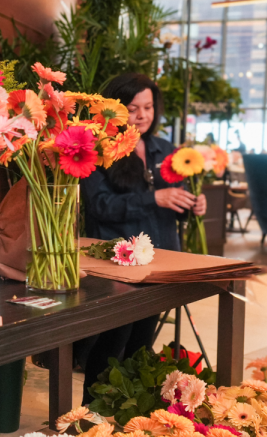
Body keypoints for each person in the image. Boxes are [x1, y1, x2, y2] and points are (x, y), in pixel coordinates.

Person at [78, 73, 207, 404]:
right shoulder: (98, 148)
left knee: (140, 343)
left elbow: (172, 202)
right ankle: (92, 411)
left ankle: (131, 413)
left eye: (148, 107)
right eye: (133, 107)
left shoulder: (166, 150)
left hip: (161, 262)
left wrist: (191, 207)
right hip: (119, 262)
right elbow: (99, 206)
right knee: (111, 342)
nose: (142, 115)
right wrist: (156, 198)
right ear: (114, 109)